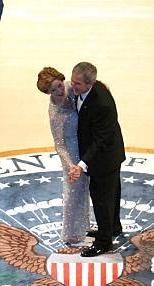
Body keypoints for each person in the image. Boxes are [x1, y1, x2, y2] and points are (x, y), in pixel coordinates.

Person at [68, 62, 125, 257]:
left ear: (89, 84)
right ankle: (112, 227)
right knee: (111, 194)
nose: (72, 86)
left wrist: (82, 164)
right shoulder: (91, 88)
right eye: (72, 81)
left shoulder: (102, 104)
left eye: (77, 84)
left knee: (102, 198)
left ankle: (104, 242)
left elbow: (101, 140)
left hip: (106, 158)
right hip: (105, 152)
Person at [37, 67, 90, 245]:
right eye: (53, 90)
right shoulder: (54, 113)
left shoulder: (71, 86)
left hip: (87, 143)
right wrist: (70, 165)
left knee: (86, 190)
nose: (60, 91)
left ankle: (85, 226)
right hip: (72, 152)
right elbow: (59, 144)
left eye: (59, 86)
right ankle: (72, 234)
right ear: (48, 92)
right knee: (74, 192)